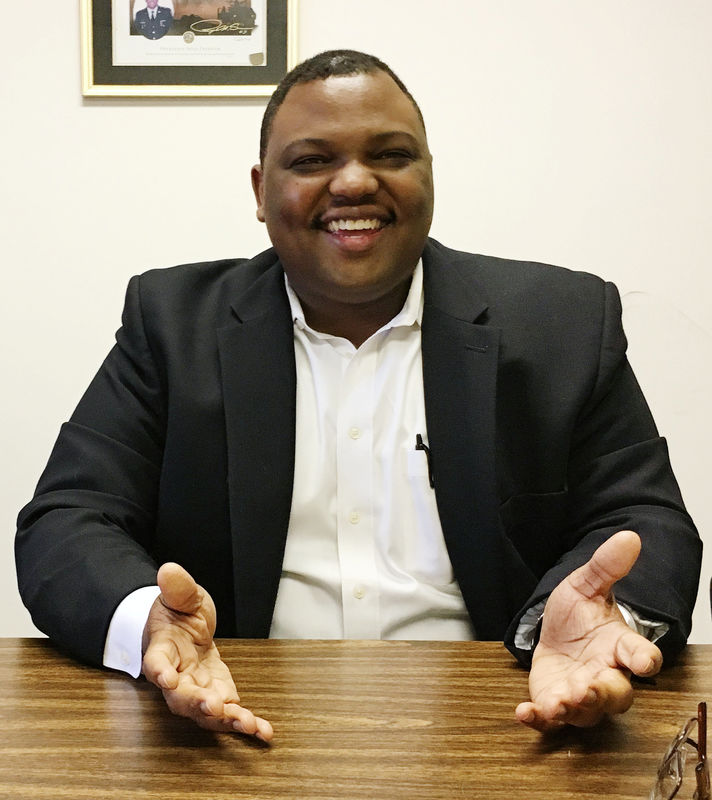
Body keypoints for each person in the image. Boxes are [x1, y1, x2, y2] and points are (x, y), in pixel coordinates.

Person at [15, 50, 701, 742]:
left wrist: (593, 620)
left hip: (504, 722)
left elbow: (646, 518)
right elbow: (67, 520)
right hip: (236, 723)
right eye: (312, 160)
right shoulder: (171, 323)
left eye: (392, 154)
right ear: (260, 190)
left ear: (429, 175)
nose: (353, 181)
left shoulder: (563, 321)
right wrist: (150, 623)